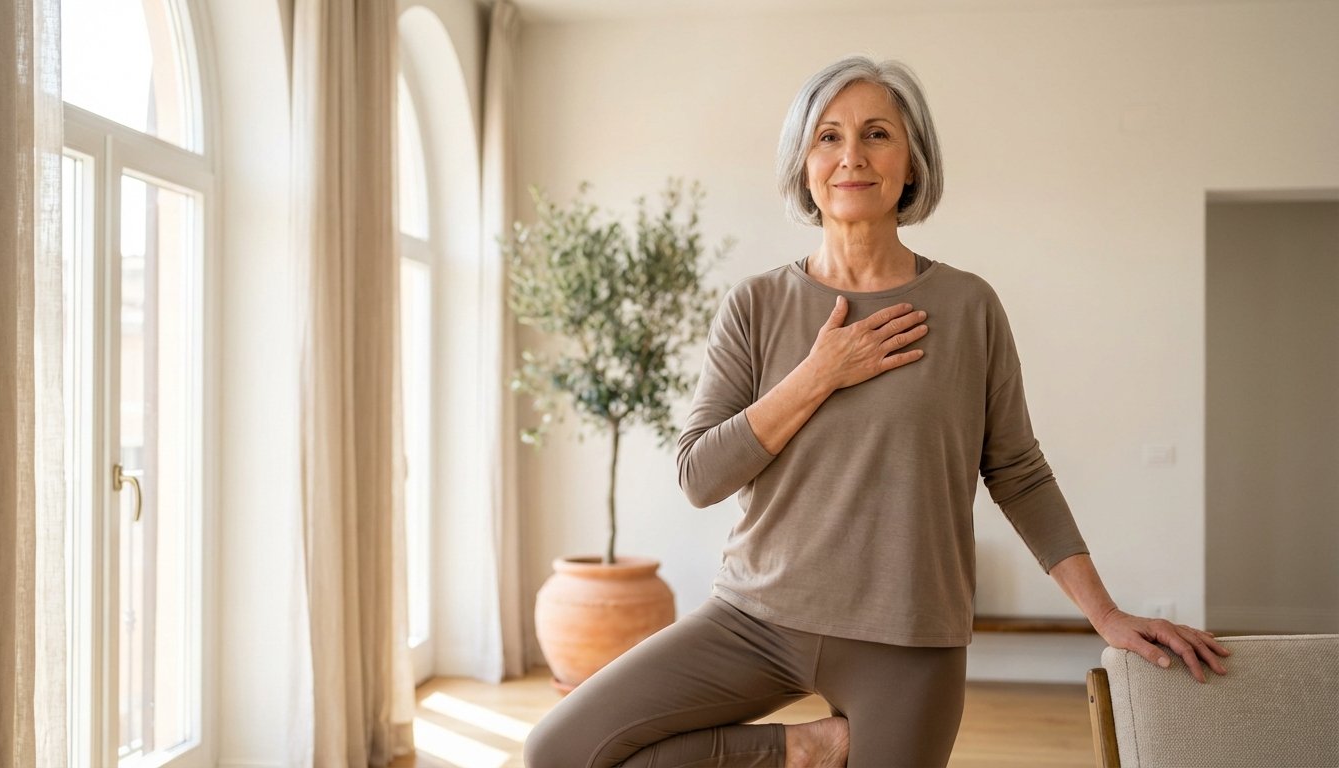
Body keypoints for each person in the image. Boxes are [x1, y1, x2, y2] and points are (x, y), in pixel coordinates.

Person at [523, 55, 1231, 768]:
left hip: (909, 638)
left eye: (877, 134)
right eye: (827, 137)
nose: (851, 156)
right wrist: (819, 374)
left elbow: (1018, 471)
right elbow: (698, 476)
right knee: (558, 752)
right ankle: (804, 750)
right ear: (803, 165)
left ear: (913, 162)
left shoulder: (968, 307)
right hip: (755, 619)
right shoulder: (757, 305)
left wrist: (1104, 614)